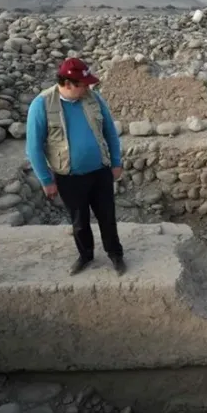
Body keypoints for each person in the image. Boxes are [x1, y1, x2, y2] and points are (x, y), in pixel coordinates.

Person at [25, 57, 127, 276]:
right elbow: (33, 147)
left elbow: (110, 131)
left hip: (100, 171)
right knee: (79, 221)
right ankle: (86, 255)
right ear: (68, 83)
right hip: (69, 176)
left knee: (107, 217)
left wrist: (116, 162)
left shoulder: (93, 99)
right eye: (83, 85)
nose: (88, 88)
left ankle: (115, 254)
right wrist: (46, 180)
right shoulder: (41, 104)